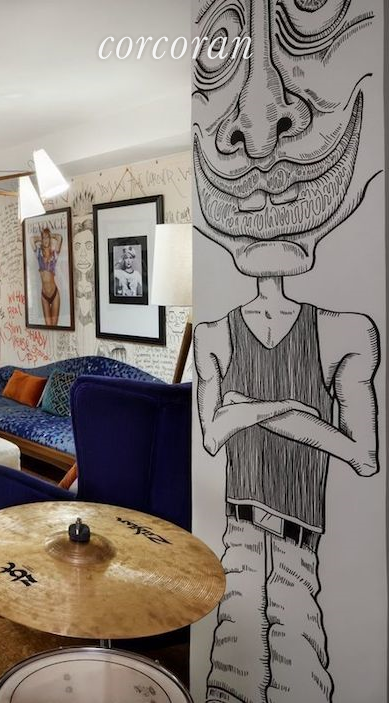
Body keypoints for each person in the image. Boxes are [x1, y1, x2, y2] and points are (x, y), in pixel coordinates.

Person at [192, 1, 381, 701]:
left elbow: (364, 455)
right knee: (228, 674)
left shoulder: (345, 331)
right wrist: (286, 413)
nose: (256, 124)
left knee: (301, 672)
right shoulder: (215, 332)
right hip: (236, 534)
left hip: (302, 541)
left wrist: (257, 407)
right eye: (217, 48)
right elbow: (211, 436)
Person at [31, 226, 63, 325]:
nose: (45, 240)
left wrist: (50, 235)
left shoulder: (54, 255)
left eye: (47, 238)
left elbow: (59, 238)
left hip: (54, 294)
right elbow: (31, 240)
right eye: (44, 238)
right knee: (48, 326)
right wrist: (42, 237)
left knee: (54, 326)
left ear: (50, 238)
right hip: (44, 295)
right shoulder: (38, 254)